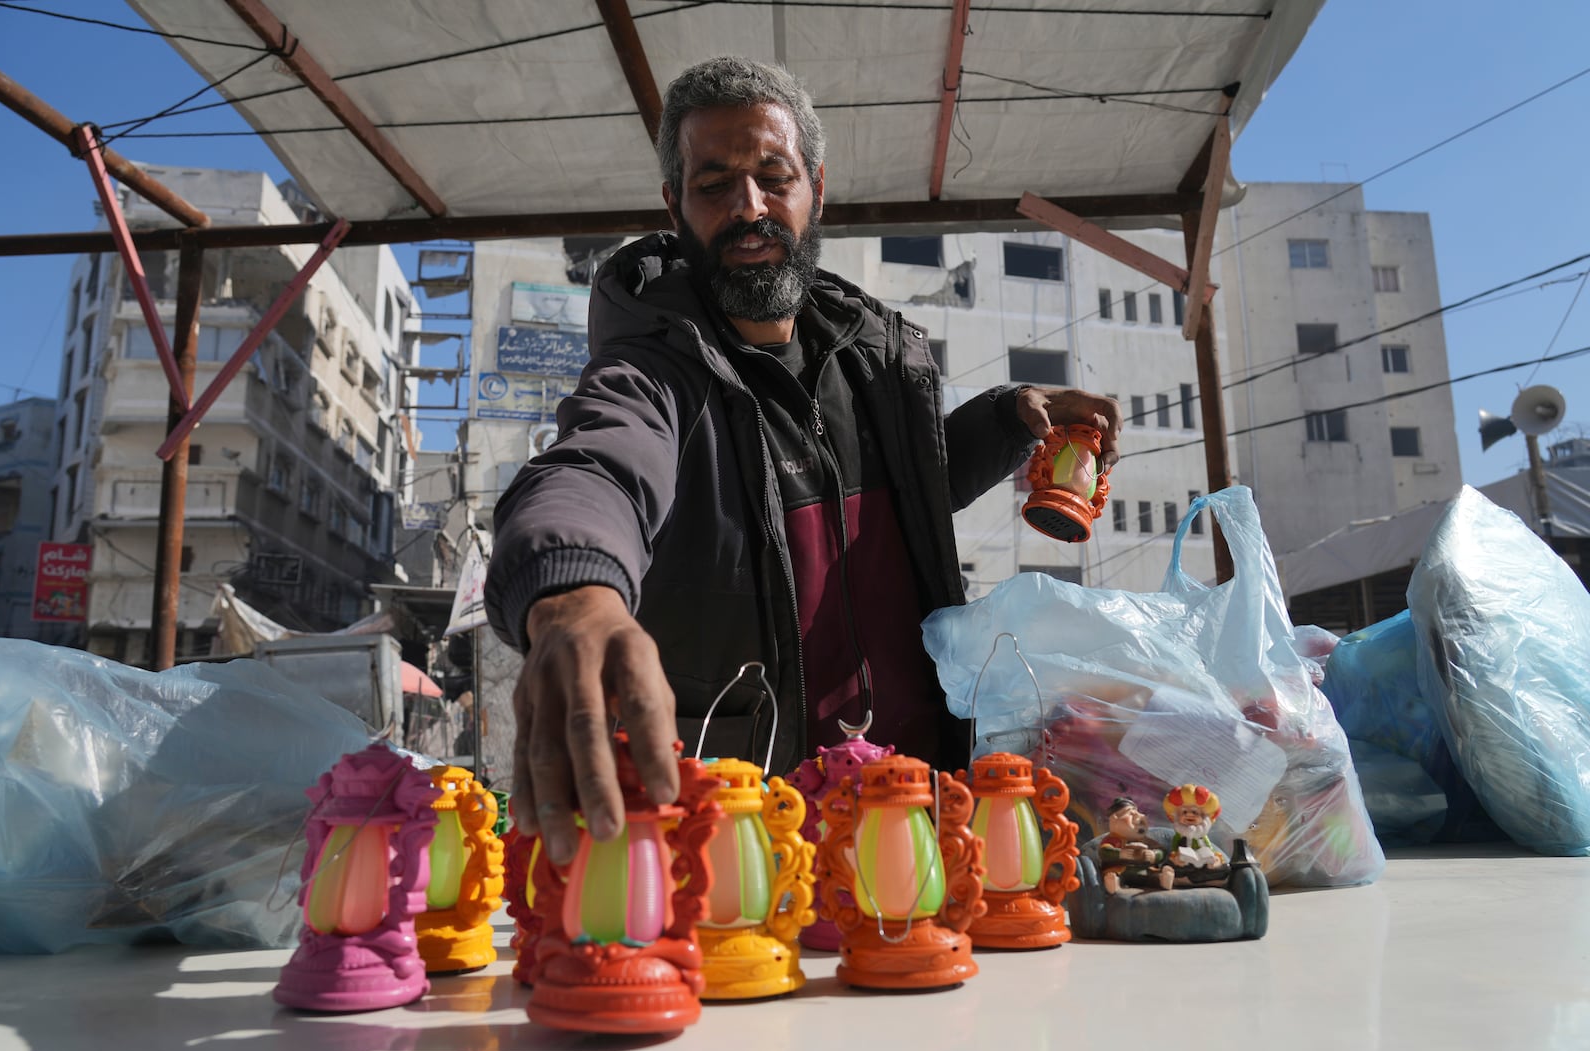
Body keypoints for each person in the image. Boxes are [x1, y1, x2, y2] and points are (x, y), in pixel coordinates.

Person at [484, 56, 1121, 868]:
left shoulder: (873, 358)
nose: (749, 207)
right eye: (714, 185)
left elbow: (901, 498)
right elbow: (596, 467)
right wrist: (573, 593)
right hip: (747, 847)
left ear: (815, 188)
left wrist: (1006, 420)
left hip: (918, 815)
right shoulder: (653, 371)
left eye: (772, 176)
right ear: (674, 206)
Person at [1097, 797, 1174, 893]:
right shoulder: (1113, 839)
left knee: (1153, 875)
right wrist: (1120, 854)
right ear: (1114, 820)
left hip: (1144, 870)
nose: (1137, 815)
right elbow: (1104, 852)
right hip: (1122, 870)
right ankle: (1114, 884)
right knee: (1113, 875)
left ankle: (1162, 880)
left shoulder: (1146, 840)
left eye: (1137, 811)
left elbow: (1162, 852)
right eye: (1130, 813)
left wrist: (1154, 855)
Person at [1164, 783, 1229, 884]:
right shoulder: (1179, 836)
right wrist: (1176, 858)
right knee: (1171, 866)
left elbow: (1209, 848)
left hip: (1203, 864)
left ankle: (1208, 877)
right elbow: (1174, 849)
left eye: (1195, 812)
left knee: (1224, 868)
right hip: (1184, 865)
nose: (1190, 815)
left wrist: (1214, 859)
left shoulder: (1202, 837)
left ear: (1204, 817)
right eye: (1184, 812)